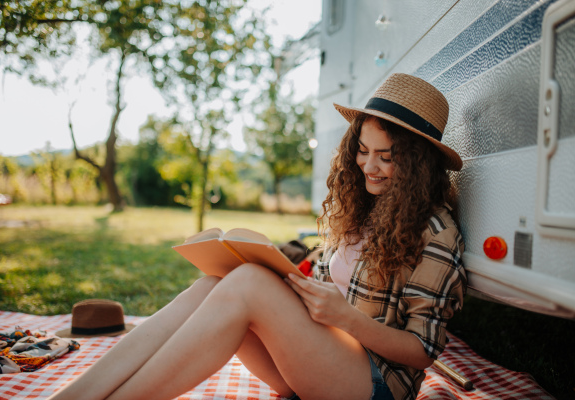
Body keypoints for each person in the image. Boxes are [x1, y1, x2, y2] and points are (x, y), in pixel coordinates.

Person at [47, 73, 466, 400]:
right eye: (362, 150)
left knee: (248, 285)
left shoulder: (437, 233)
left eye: (385, 156)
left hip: (374, 384)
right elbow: (325, 288)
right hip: (317, 362)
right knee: (213, 282)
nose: (367, 166)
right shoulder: (364, 210)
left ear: (415, 162)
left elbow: (422, 349)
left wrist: (346, 319)